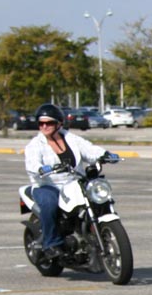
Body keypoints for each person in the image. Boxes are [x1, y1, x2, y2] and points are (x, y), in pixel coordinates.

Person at [23, 103, 109, 259]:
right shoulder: (35, 144)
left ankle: (98, 233)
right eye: (41, 123)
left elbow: (89, 149)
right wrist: (41, 169)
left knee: (98, 197)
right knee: (50, 203)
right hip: (47, 184)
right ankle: (51, 244)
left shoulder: (71, 138)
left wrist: (105, 154)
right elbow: (32, 163)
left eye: (49, 123)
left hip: (74, 182)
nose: (44, 126)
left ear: (59, 123)